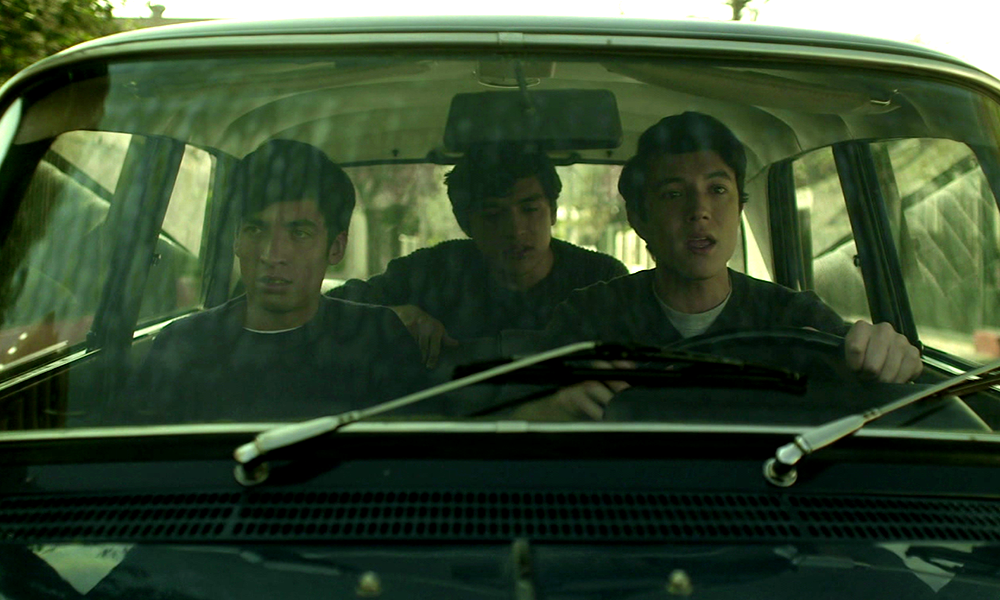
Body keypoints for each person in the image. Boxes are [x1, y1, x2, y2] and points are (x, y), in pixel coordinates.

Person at [516, 112, 923, 420]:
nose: (700, 211)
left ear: (739, 207)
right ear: (639, 218)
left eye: (717, 189)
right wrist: (549, 410)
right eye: (674, 194)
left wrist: (888, 356)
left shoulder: (793, 319)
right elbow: (510, 413)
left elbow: (872, 380)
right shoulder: (590, 316)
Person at [124, 140, 431, 424]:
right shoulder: (184, 344)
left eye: (299, 234)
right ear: (236, 239)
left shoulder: (377, 339)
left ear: (336, 248)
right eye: (255, 230)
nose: (272, 255)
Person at [327, 144, 628, 367]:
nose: (516, 230)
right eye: (493, 215)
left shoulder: (600, 279)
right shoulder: (433, 272)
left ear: (553, 212)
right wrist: (392, 315)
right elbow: (327, 310)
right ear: (465, 224)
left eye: (530, 209)